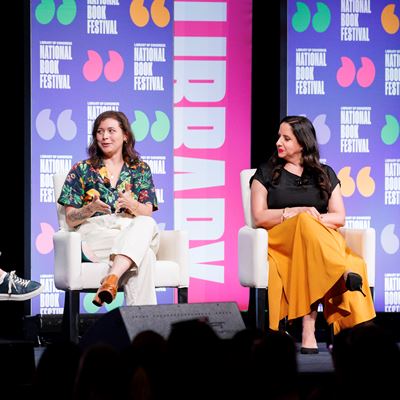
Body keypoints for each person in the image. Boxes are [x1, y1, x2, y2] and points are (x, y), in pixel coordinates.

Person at [250, 115, 376, 354]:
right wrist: (294, 213)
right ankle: (339, 275)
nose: (279, 141)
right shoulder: (266, 173)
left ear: (302, 143)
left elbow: (339, 217)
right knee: (310, 228)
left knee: (342, 255)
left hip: (317, 242)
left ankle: (335, 334)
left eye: (286, 138)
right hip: (281, 241)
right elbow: (259, 217)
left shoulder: (325, 173)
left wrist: (311, 219)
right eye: (279, 136)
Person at [57, 110, 159, 307]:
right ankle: (141, 330)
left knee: (146, 223)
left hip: (132, 229)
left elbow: (147, 212)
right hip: (97, 234)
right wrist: (89, 209)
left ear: (125, 135)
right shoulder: (82, 169)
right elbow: (70, 219)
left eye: (111, 130)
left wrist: (132, 205)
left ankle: (111, 278)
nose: (104, 136)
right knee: (145, 256)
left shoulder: (140, 169)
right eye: (99, 131)